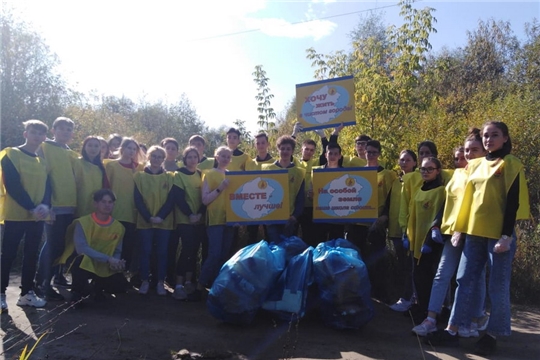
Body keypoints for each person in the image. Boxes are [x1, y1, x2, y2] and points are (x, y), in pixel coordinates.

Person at [427, 121, 530, 356]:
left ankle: (492, 334)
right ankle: (453, 329)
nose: (489, 139)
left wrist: (506, 236)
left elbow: (512, 203)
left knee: (497, 286)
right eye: (485, 135)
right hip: (474, 233)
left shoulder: (511, 164)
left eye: (494, 135)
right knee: (464, 279)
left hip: (498, 237)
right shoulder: (474, 165)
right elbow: (466, 201)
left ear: (505, 138)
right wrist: (458, 229)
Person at [412, 129, 488, 337]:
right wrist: (437, 226)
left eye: (471, 152)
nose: (464, 158)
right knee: (442, 275)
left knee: (472, 278)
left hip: (474, 232)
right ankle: (431, 319)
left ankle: (473, 319)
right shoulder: (456, 175)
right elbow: (447, 203)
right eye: (461, 155)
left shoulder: (485, 173)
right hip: (451, 233)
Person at [1, 120, 51, 312]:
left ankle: (26, 294)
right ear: (25, 134)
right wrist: (31, 207)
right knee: (8, 255)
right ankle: (1, 294)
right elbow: (12, 185)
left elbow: (47, 185)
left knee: (31, 255)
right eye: (33, 132)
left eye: (40, 134)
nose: (37, 136)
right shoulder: (11, 154)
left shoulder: (42, 161)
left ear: (44, 137)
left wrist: (45, 206)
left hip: (37, 217)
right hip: (16, 215)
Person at [35, 116, 78, 301]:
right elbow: (42, 177)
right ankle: (41, 282)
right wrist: (47, 206)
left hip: (70, 206)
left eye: (68, 129)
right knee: (53, 245)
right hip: (54, 206)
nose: (65, 132)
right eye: (61, 129)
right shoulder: (45, 148)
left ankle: (54, 279)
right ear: (53, 131)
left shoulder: (71, 152)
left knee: (61, 245)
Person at [64, 189, 128, 307]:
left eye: (110, 202)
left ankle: (96, 289)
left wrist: (117, 263)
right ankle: (77, 295)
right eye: (103, 202)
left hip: (104, 265)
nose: (107, 205)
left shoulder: (119, 227)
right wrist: (108, 259)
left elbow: (117, 250)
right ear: (95, 204)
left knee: (120, 286)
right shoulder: (83, 222)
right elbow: (81, 248)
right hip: (85, 263)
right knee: (79, 261)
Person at [189, 146, 233, 301]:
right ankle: (200, 286)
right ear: (216, 156)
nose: (225, 159)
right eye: (222, 155)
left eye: (228, 156)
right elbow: (205, 199)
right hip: (214, 219)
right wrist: (221, 188)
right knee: (214, 254)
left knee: (224, 255)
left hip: (230, 221)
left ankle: (216, 287)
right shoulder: (208, 174)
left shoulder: (233, 175)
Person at [407, 157, 447, 324]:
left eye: (430, 169)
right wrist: (407, 235)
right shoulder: (419, 189)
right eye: (423, 169)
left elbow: (439, 216)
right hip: (416, 241)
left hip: (431, 243)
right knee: (418, 276)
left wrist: (431, 240)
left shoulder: (441, 191)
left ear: (437, 171)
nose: (426, 172)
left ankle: (432, 312)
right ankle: (422, 308)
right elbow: (412, 213)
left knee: (429, 277)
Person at [133, 146, 175, 295]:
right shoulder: (139, 177)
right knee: (146, 251)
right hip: (145, 222)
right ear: (148, 157)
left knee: (162, 253)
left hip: (164, 222)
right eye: (154, 156)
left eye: (160, 157)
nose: (156, 159)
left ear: (163, 159)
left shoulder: (170, 177)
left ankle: (159, 282)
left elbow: (171, 200)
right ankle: (144, 280)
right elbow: (138, 200)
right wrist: (148, 217)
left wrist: (160, 217)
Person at [104, 138, 145, 276]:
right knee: (112, 245)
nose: (131, 151)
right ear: (122, 148)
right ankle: (106, 275)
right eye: (129, 148)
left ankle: (121, 276)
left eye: (134, 149)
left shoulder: (139, 168)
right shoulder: (112, 166)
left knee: (128, 246)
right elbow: (106, 188)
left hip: (132, 213)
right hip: (114, 212)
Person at [171, 147, 206, 300]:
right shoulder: (178, 175)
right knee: (186, 251)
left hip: (199, 220)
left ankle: (188, 282)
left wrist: (199, 214)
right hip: (185, 220)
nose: (192, 159)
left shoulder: (200, 174)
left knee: (194, 251)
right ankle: (178, 285)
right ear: (185, 159)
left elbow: (204, 197)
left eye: (195, 157)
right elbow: (178, 198)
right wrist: (190, 215)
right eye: (189, 157)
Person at [388, 150, 418, 312]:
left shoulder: (418, 180)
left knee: (410, 266)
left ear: (415, 162)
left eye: (408, 160)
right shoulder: (395, 180)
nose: (404, 163)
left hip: (411, 231)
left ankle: (410, 298)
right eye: (401, 160)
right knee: (402, 265)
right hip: (395, 230)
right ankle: (405, 297)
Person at [262, 136, 305, 244]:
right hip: (271, 218)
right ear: (278, 149)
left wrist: (295, 216)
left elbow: (300, 196)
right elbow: (261, 194)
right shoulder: (268, 169)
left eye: (288, 149)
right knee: (274, 251)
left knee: (288, 251)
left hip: (289, 219)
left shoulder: (298, 172)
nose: (285, 151)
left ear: (292, 151)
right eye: (282, 148)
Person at [311, 142, 345, 244]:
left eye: (335, 154)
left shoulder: (346, 173)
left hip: (339, 218)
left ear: (340, 156)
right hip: (321, 217)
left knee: (336, 248)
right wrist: (311, 195)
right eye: (330, 153)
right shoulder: (316, 171)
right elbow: (311, 194)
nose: (333, 156)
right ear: (326, 155)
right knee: (319, 245)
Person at [245, 132, 274, 244]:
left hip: (269, 204)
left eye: (263, 143)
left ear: (268, 144)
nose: (261, 145)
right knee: (251, 237)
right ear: (255, 145)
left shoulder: (275, 163)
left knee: (270, 237)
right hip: (252, 205)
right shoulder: (249, 163)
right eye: (258, 143)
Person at [73, 136, 110, 218]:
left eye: (96, 146)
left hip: (96, 205)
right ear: (84, 147)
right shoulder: (77, 162)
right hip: (79, 204)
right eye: (90, 145)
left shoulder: (101, 167)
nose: (93, 149)